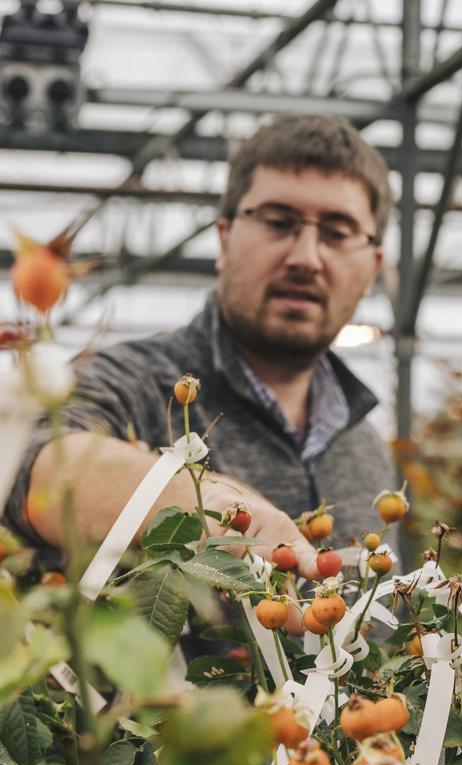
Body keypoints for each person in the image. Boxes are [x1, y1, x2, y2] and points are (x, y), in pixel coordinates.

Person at [4, 115, 396, 575]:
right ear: (224, 240)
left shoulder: (365, 446)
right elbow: (26, 460)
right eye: (278, 221)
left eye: (337, 232)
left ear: (372, 268)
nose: (305, 258)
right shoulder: (134, 385)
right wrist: (194, 502)